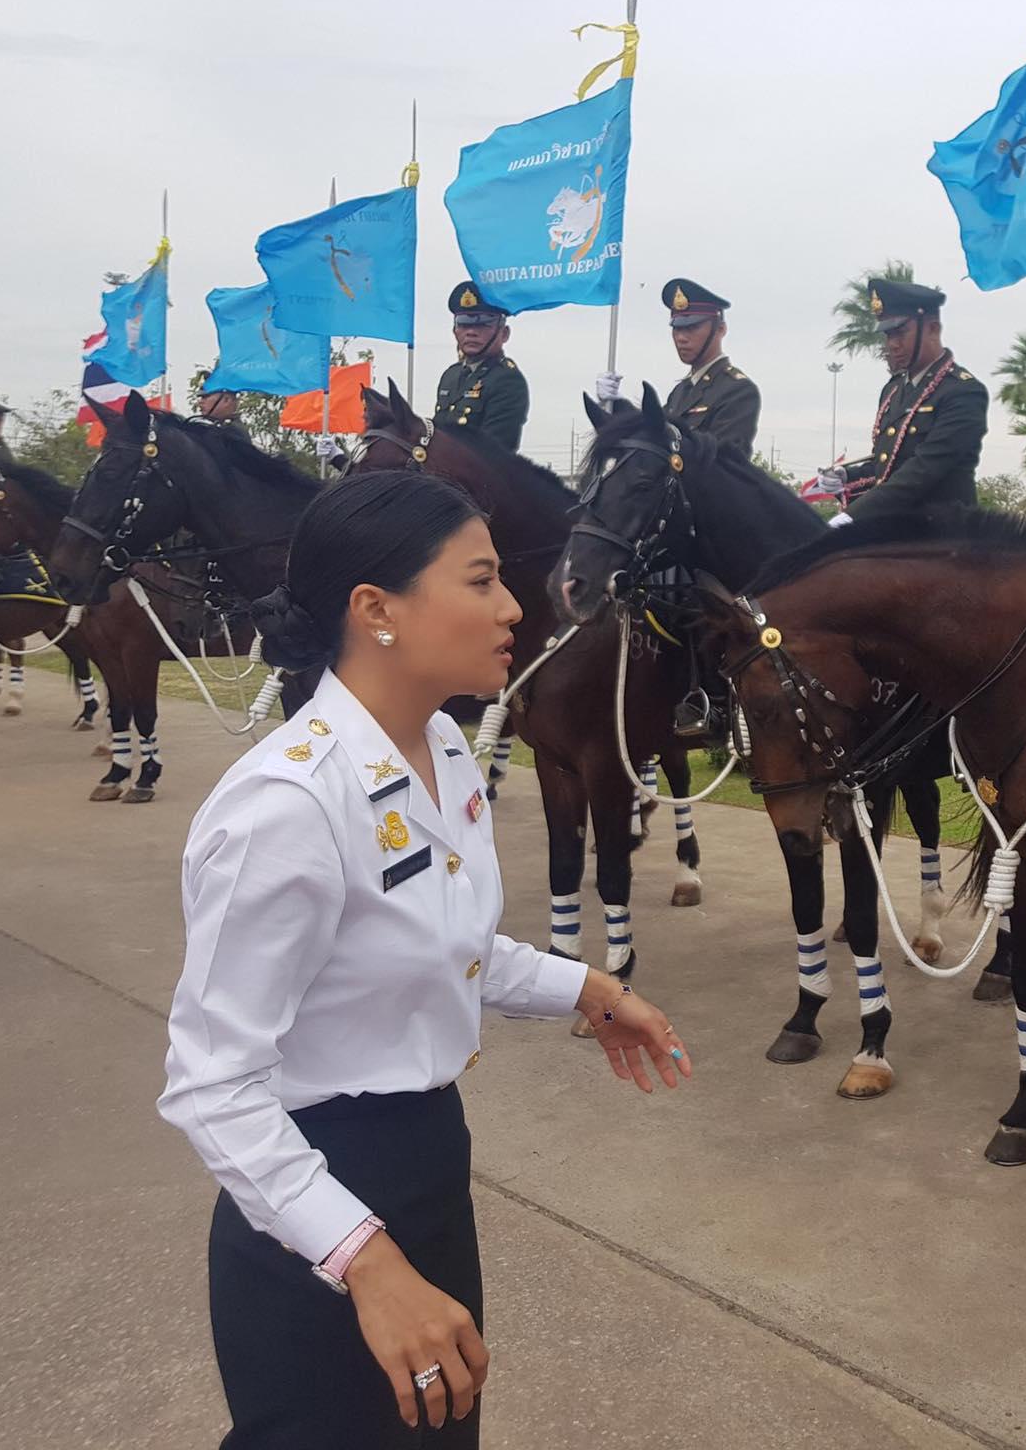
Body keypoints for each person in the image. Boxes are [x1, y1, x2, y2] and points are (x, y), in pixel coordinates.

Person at [158, 472, 691, 1446]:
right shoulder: (285, 810)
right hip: (314, 1203)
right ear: (377, 610)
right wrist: (366, 1261)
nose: (513, 607)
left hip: (428, 1169)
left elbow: (443, 943)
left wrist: (586, 986)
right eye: (480, 581)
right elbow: (210, 1085)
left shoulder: (442, 749)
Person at [816, 278, 987, 527]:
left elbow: (925, 470)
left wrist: (853, 515)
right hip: (896, 529)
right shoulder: (895, 389)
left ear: (933, 329)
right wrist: (847, 476)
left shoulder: (963, 392)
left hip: (944, 536)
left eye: (901, 332)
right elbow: (888, 466)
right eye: (888, 334)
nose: (893, 344)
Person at [637, 279, 760, 460]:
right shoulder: (681, 392)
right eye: (677, 329)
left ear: (720, 329)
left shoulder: (738, 391)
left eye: (691, 328)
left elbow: (724, 464)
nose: (681, 338)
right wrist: (615, 409)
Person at [435, 281, 529, 455]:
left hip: (478, 478)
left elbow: (492, 453)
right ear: (454, 330)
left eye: (482, 324)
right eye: (463, 324)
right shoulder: (451, 375)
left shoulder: (507, 380)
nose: (471, 332)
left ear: (504, 333)